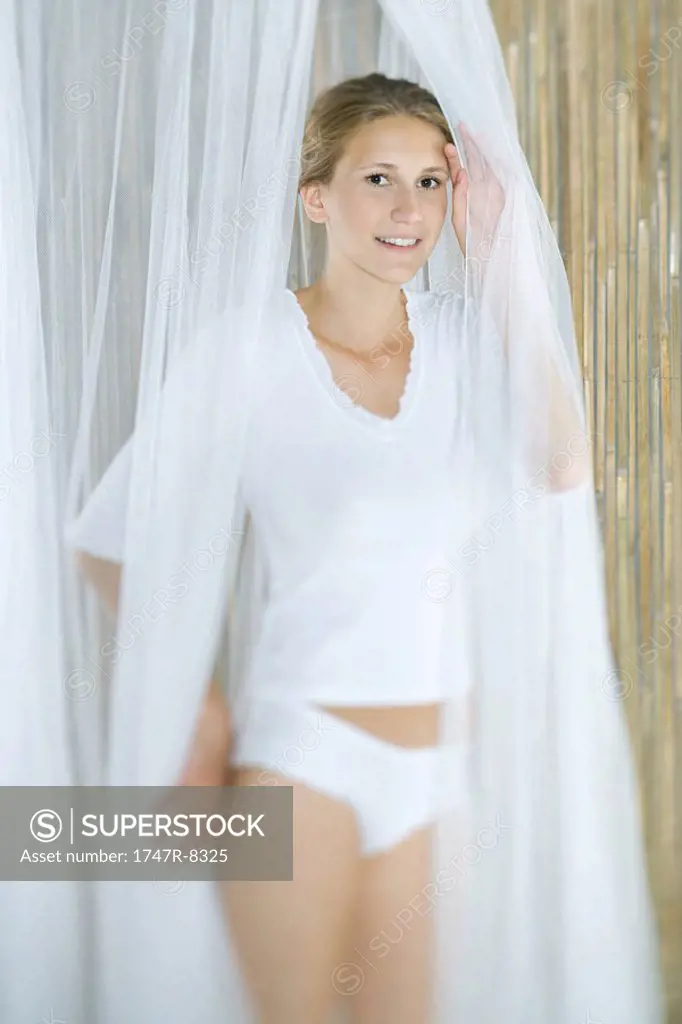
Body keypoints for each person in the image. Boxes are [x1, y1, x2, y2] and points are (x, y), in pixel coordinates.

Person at [69, 72, 656, 1024]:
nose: (408, 209)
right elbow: (107, 541)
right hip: (305, 761)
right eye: (379, 178)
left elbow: (560, 466)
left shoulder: (473, 343)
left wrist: (500, 250)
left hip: (441, 776)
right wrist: (202, 712)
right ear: (317, 197)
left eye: (431, 183)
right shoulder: (248, 350)